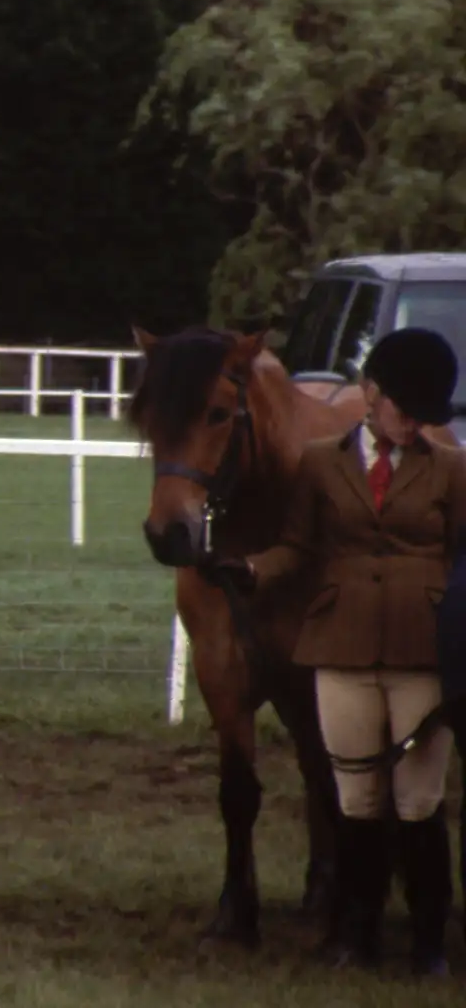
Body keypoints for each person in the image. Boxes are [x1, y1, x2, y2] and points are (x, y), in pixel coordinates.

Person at [230, 328, 466, 976]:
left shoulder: (451, 467)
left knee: (418, 800)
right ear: (370, 393)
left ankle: (427, 940)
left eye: (425, 410)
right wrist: (252, 571)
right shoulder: (320, 463)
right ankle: (354, 933)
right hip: (341, 644)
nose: (414, 421)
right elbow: (298, 548)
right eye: (402, 405)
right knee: (355, 798)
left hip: (420, 649)